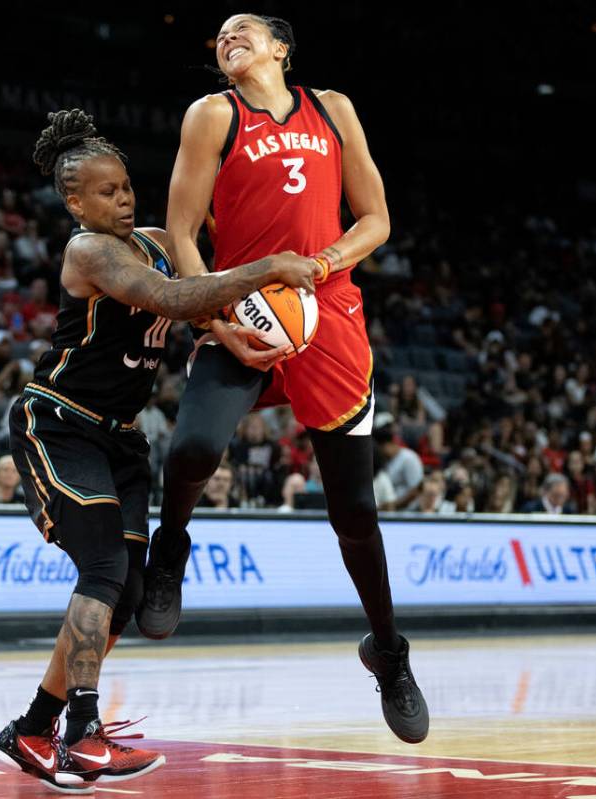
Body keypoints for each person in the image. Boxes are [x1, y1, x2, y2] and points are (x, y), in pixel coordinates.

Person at [0, 108, 317, 792]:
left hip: (121, 438)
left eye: (127, 185)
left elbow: (200, 291)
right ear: (76, 201)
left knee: (131, 590)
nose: (124, 197)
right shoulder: (89, 252)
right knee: (105, 568)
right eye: (106, 191)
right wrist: (265, 270)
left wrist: (233, 324)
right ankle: (82, 734)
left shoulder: (161, 239)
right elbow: (168, 296)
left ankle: (30, 727)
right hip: (60, 422)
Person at [139, 13, 429, 745]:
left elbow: (376, 219)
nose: (228, 37)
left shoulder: (333, 108)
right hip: (241, 302)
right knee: (192, 449)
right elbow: (180, 233)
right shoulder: (211, 115)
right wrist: (212, 318)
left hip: (325, 311)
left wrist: (322, 265)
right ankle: (170, 547)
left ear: (281, 49)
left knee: (354, 511)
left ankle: (387, 649)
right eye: (220, 35)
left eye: (245, 29)